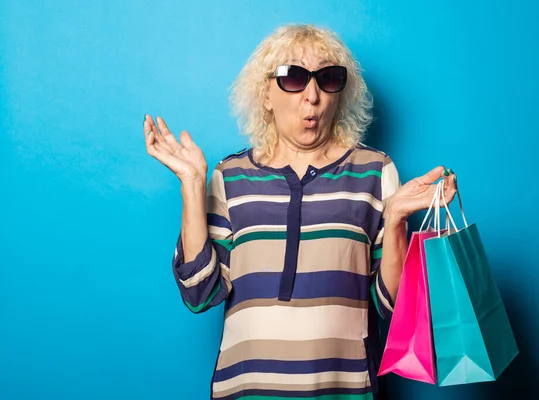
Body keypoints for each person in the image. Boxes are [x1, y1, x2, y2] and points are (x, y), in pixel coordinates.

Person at [143, 24, 456, 400]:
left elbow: (394, 307)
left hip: (347, 390)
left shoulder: (375, 172)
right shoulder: (231, 176)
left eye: (328, 79)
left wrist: (398, 221)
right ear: (266, 94)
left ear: (341, 95)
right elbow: (200, 295)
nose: (312, 96)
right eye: (293, 78)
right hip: (247, 390)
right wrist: (193, 186)